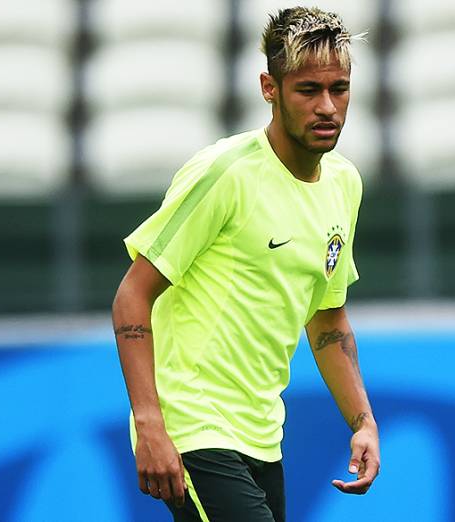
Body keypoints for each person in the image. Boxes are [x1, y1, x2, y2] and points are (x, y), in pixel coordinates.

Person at [111, 7, 379, 521]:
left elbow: (326, 318)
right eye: (308, 90)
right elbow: (133, 294)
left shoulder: (345, 184)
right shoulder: (225, 173)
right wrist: (150, 423)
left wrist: (362, 421)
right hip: (192, 425)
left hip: (262, 435)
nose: (327, 107)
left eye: (339, 88)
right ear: (269, 88)